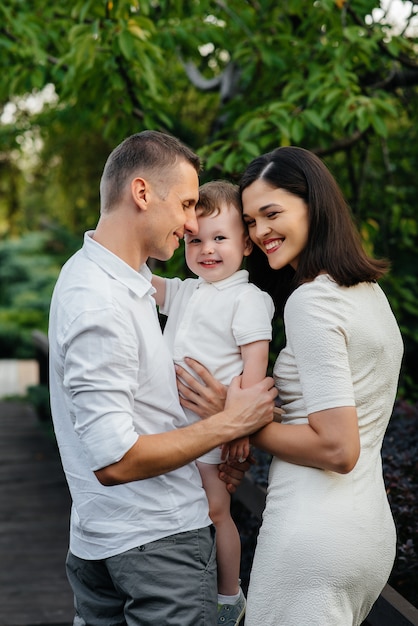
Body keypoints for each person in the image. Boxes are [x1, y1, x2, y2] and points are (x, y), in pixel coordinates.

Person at [47, 130, 278, 626]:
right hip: (157, 543)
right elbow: (115, 459)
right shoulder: (99, 301)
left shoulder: (107, 279)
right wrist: (228, 425)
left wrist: (229, 436)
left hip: (109, 536)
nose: (193, 223)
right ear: (143, 193)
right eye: (188, 204)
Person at [175, 146, 404, 626]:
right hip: (368, 535)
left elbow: (338, 447)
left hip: (314, 532)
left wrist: (232, 418)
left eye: (271, 213)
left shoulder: (311, 302)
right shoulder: (367, 292)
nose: (260, 233)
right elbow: (336, 420)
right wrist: (240, 433)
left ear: (314, 205)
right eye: (253, 222)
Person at [151, 180, 275, 625]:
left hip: (212, 429)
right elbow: (145, 283)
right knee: (180, 510)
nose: (207, 248)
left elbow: (255, 366)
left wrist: (240, 427)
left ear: (246, 244)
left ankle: (229, 596)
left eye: (220, 237)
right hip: (173, 429)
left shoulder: (248, 298)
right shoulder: (188, 291)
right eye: (194, 238)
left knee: (215, 509)